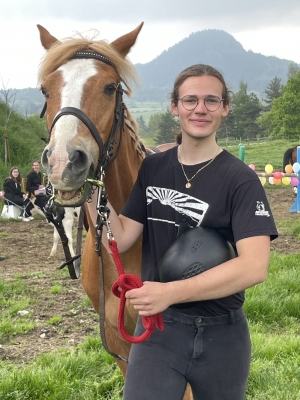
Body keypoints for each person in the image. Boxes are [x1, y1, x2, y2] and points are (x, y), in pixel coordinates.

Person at [88, 64, 278, 400]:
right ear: (175, 107)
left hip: (223, 337)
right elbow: (123, 236)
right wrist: (86, 189)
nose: (200, 109)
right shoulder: (154, 168)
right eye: (190, 100)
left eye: (211, 101)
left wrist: (170, 292)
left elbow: (254, 266)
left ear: (225, 108)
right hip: (161, 332)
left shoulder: (241, 181)